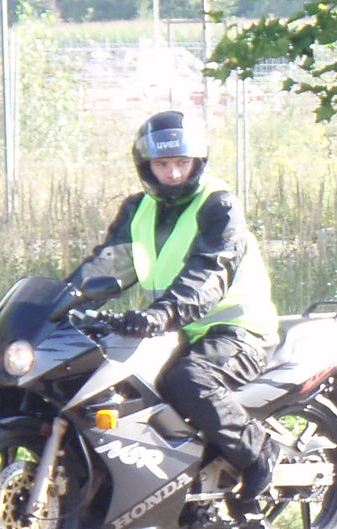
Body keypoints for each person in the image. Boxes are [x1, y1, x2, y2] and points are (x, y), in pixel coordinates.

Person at [69, 110, 282, 508]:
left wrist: (160, 315)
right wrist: (62, 301)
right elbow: (109, 263)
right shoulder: (138, 210)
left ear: (197, 162)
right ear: (146, 166)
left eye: (180, 163)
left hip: (238, 332)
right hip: (177, 329)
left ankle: (258, 455)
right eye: (162, 164)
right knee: (111, 388)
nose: (172, 173)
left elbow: (209, 272)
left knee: (187, 380)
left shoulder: (219, 204)